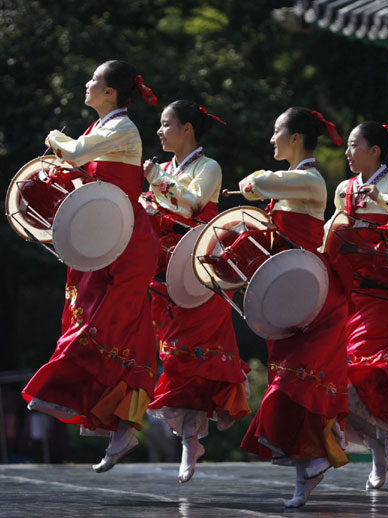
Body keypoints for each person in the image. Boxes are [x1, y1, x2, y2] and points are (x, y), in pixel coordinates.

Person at [22, 60, 159, 472]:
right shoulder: (98, 129)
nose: (87, 84)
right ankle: (122, 427)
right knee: (119, 332)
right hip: (100, 243)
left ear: (111, 93)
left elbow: (76, 154)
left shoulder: (123, 129)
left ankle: (67, 394)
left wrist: (52, 136)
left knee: (108, 327)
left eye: (93, 81)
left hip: (128, 243)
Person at [238, 107, 349, 508]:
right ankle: (306, 476)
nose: (271, 139)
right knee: (288, 388)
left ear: (296, 138)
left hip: (315, 303)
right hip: (290, 301)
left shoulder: (310, 181)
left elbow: (259, 183)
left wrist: (252, 183)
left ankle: (317, 458)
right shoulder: (293, 183)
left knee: (294, 387)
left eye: (276, 132)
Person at [143, 100, 250, 483]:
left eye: (165, 124)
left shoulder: (209, 168)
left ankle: (191, 441)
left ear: (187, 128)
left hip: (201, 271)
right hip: (165, 273)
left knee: (199, 361)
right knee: (173, 360)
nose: (159, 131)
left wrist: (156, 181)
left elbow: (190, 206)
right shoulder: (166, 168)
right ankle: (189, 439)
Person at [325, 120, 388, 489]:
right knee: (354, 373)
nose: (348, 153)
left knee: (376, 370)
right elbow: (333, 232)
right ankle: (383, 451)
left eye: (353, 145)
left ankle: (386, 446)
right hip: (356, 296)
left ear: (375, 151)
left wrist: (381, 202)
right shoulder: (343, 189)